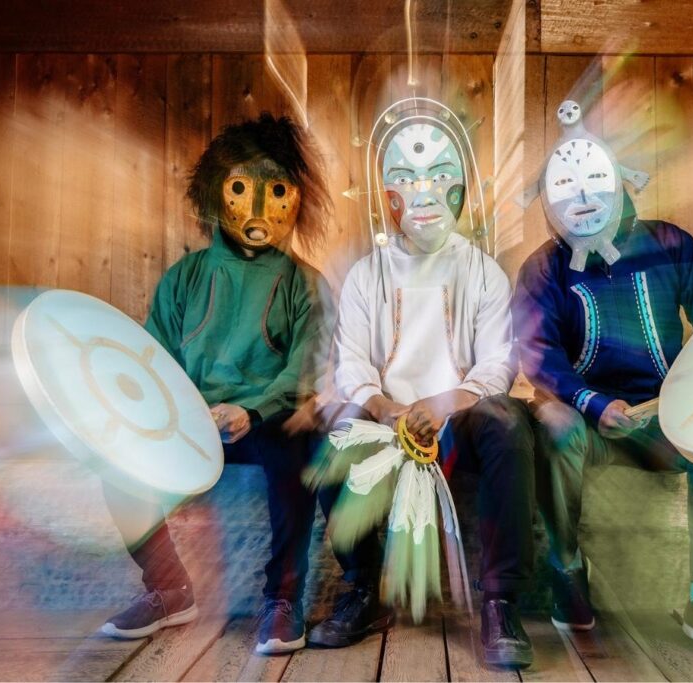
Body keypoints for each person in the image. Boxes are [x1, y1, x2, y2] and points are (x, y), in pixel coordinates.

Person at [513, 100, 693, 663]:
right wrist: (593, 403)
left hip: (667, 420)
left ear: (619, 181)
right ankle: (567, 572)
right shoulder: (543, 270)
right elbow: (539, 354)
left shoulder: (669, 245)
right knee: (555, 425)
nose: (585, 198)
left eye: (595, 181)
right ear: (550, 201)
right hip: (592, 424)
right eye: (567, 188)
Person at [309, 101, 536, 668]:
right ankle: (362, 585)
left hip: (461, 418)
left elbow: (496, 365)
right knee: (330, 433)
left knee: (509, 424)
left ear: (459, 189)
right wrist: (385, 408)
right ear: (386, 194)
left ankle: (500, 600)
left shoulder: (482, 270)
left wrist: (443, 403)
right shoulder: (368, 274)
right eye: (406, 180)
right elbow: (353, 363)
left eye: (438, 177)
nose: (423, 193)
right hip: (390, 419)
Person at [99, 113, 331, 656]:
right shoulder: (184, 277)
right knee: (116, 464)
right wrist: (174, 414)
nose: (255, 209)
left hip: (265, 424)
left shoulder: (306, 284)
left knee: (298, 450)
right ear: (214, 194)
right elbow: (149, 362)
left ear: (296, 197)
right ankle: (169, 588)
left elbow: (303, 370)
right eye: (239, 189)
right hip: (188, 425)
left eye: (274, 190)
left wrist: (250, 410)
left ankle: (282, 599)